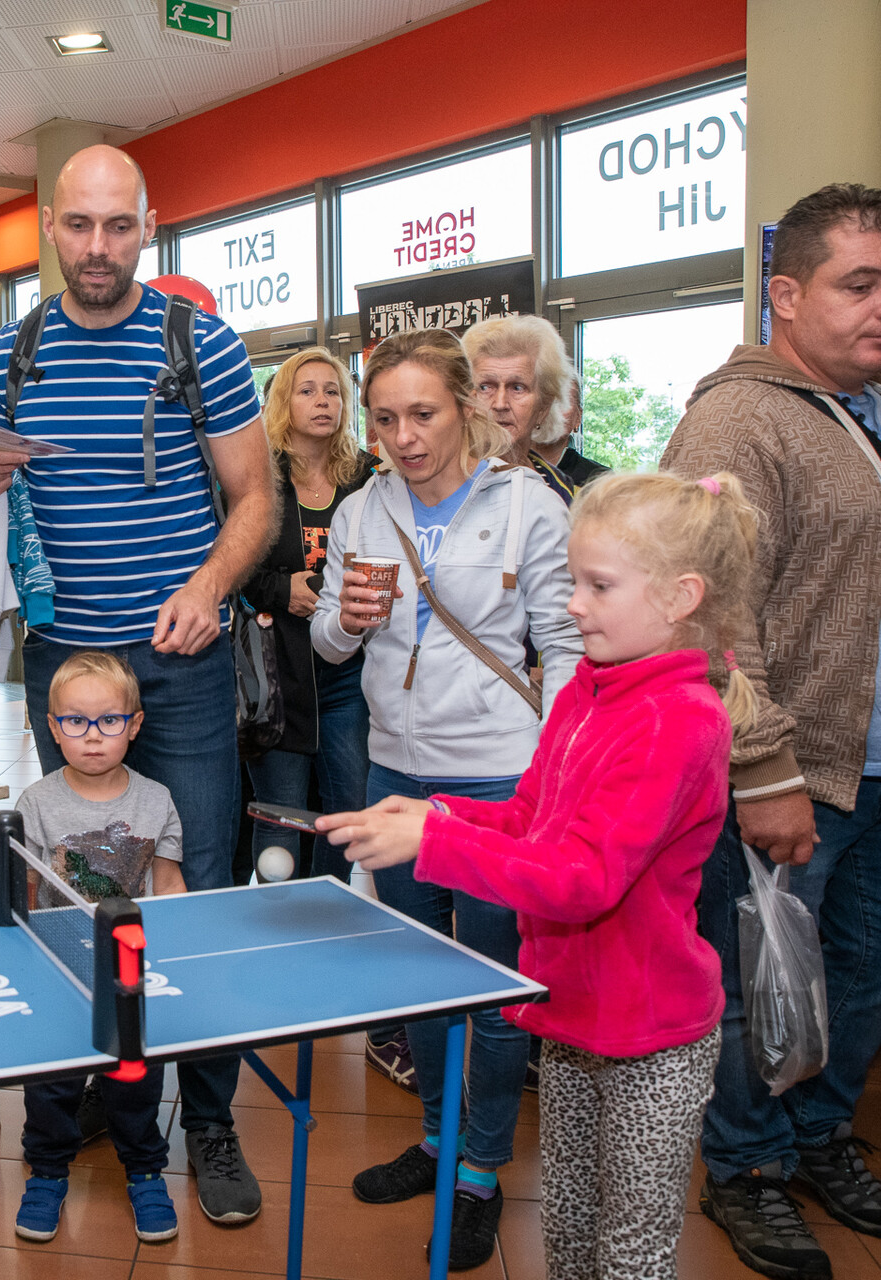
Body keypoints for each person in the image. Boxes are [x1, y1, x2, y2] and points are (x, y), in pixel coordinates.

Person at [660, 182, 881, 1280]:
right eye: (861, 283)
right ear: (787, 295)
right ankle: (746, 1162)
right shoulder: (736, 418)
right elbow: (704, 607)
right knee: (760, 984)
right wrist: (763, 768)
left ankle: (816, 1132)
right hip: (801, 767)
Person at [326, 470, 756, 1279]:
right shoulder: (588, 690)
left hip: (649, 1036)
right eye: (573, 581)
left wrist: (435, 841)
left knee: (628, 1255)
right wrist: (436, 814)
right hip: (570, 1017)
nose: (572, 605)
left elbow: (583, 877)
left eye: (598, 586)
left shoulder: (677, 720)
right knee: (567, 1226)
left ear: (681, 597)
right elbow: (531, 817)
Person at [0, 144, 276, 1225]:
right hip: (63, 668)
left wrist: (209, 584)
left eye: (118, 225)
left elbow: (256, 498)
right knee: (82, 889)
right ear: (51, 227)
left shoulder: (203, 342)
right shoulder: (10, 356)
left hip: (182, 668)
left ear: (149, 226)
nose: (97, 247)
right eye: (78, 225)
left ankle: (212, 1120)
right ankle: (107, 1077)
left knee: (197, 890)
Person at [311, 327, 579, 1270]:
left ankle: (479, 1170)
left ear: (467, 407)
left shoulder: (528, 505)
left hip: (499, 779)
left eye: (423, 414)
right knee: (418, 978)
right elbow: (327, 645)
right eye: (385, 419)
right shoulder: (362, 509)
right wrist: (345, 621)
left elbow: (566, 644)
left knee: (494, 990)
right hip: (394, 772)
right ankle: (437, 1137)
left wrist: (552, 768)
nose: (404, 437)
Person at [12, 649, 186, 1246]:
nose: (92, 735)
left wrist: (179, 951)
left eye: (109, 720)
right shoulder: (36, 803)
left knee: (135, 1084)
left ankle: (145, 1172)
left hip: (130, 973)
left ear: (134, 725)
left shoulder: (156, 800)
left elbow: (169, 884)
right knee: (51, 1085)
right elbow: (22, 893)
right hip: (59, 970)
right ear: (53, 726)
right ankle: (47, 1173)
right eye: (76, 721)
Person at [241, 348, 374, 877]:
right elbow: (229, 562)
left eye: (333, 391)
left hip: (349, 672)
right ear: (283, 403)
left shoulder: (368, 478)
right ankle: (279, 918)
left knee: (348, 810)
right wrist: (280, 590)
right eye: (308, 390)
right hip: (277, 675)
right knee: (281, 817)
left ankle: (328, 911)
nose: (323, 401)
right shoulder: (257, 478)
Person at [462, 313, 582, 503]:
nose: (500, 404)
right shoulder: (439, 482)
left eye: (517, 388)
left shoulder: (561, 492)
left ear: (543, 407)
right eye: (485, 387)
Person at [536, 369, 609, 489]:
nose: (552, 411)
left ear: (578, 417)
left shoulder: (600, 480)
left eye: (563, 402)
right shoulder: (506, 470)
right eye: (545, 401)